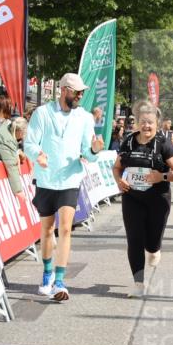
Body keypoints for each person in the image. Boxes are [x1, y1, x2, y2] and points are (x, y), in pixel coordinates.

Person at [23, 72, 105, 302]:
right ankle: (47, 273)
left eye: (82, 92)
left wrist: (96, 150)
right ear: (64, 90)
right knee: (47, 229)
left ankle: (60, 280)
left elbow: (88, 152)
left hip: (70, 179)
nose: (80, 95)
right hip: (46, 179)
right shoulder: (42, 113)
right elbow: (29, 142)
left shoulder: (85, 118)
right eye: (77, 92)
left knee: (66, 228)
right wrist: (37, 154)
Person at [112, 100, 173, 298]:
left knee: (152, 246)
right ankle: (138, 285)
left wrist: (160, 176)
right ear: (137, 123)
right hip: (132, 198)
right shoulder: (128, 141)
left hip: (158, 200)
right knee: (134, 240)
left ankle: (154, 249)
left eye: (150, 122)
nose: (147, 126)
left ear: (157, 124)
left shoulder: (164, 143)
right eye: (143, 122)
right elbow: (116, 167)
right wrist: (119, 181)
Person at [0, 116, 29, 203]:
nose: (23, 137)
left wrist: (17, 152)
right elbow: (11, 165)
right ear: (19, 132)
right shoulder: (7, 141)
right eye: (24, 134)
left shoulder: (7, 128)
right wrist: (18, 191)